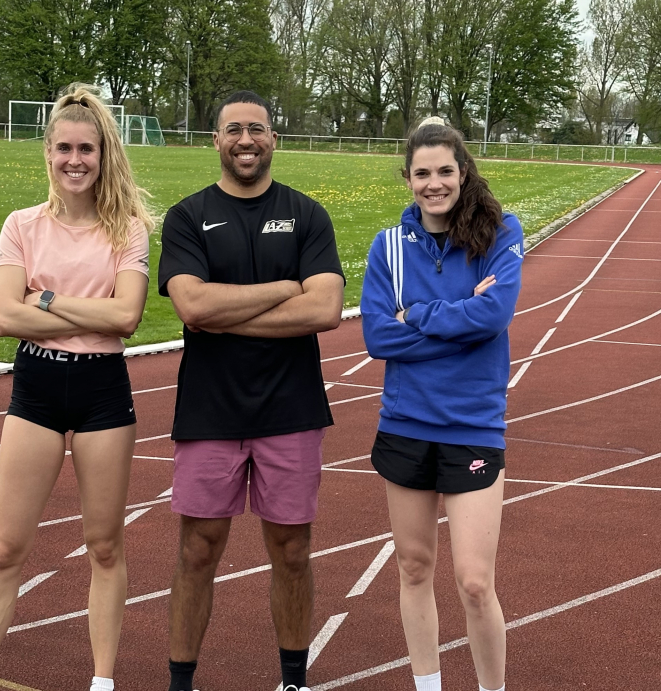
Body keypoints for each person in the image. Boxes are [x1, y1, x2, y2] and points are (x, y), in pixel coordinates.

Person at [0, 83, 154, 691]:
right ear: (47, 154)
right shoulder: (21, 225)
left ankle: (101, 681)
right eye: (64, 148)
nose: (75, 160)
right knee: (6, 550)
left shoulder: (130, 230)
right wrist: (81, 310)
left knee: (104, 546)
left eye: (86, 149)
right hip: (35, 390)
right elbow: (4, 319)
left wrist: (43, 296)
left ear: (104, 154)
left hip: (102, 392)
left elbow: (126, 319)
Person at [157, 90, 345, 691]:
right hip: (210, 409)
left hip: (290, 408)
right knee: (198, 551)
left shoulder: (308, 214)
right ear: (216, 140)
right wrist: (285, 286)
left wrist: (223, 313)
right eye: (234, 129)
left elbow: (328, 309)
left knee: (292, 551)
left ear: (273, 139)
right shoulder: (187, 216)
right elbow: (191, 303)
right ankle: (181, 683)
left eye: (257, 130)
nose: (246, 140)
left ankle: (293, 681)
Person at [360, 116, 524, 691]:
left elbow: (493, 317)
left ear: (462, 172)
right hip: (405, 424)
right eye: (422, 173)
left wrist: (422, 315)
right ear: (407, 177)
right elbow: (378, 338)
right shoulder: (388, 247)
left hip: (473, 427)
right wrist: (461, 318)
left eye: (445, 171)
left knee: (475, 582)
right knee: (413, 568)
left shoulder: (500, 234)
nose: (434, 183)